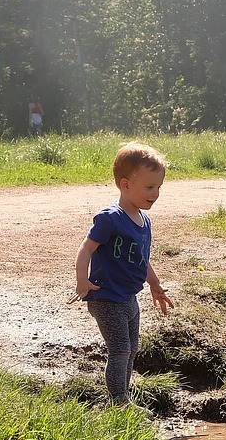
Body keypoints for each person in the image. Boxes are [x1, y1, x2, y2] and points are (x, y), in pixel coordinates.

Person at [72, 142, 174, 404]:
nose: (155, 194)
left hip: (129, 298)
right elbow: (86, 249)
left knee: (131, 350)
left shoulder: (144, 221)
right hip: (106, 298)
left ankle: (123, 396)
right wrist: (82, 281)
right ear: (125, 185)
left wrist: (155, 283)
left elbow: (141, 259)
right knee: (119, 350)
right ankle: (119, 401)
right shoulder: (109, 218)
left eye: (159, 187)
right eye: (149, 187)